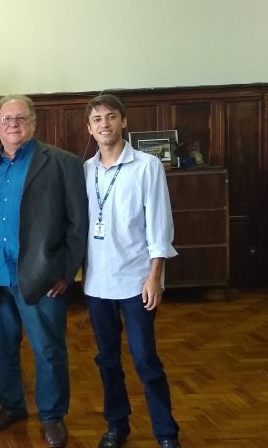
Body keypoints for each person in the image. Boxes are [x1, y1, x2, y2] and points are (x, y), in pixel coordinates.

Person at [0, 95, 88, 448]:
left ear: (34, 122)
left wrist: (66, 271)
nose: (13, 124)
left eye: (20, 118)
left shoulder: (63, 163)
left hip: (43, 276)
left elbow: (77, 225)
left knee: (48, 350)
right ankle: (12, 406)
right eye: (6, 119)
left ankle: (52, 417)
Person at [82, 94, 182, 448]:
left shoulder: (146, 166)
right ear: (90, 128)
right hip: (97, 284)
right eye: (97, 119)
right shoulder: (86, 170)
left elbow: (159, 225)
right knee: (107, 360)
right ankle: (117, 425)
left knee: (145, 360)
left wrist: (155, 276)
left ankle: (166, 432)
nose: (104, 124)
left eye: (111, 117)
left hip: (137, 282)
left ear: (123, 121)